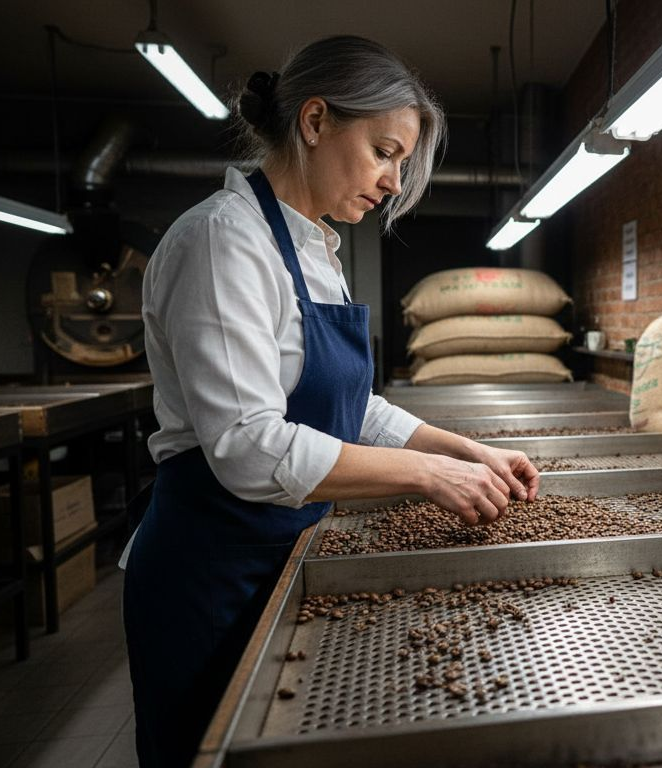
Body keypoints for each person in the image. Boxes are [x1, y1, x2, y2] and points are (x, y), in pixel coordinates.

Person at [122, 35, 539, 768]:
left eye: (400, 163)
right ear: (315, 121)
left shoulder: (314, 252)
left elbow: (352, 408)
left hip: (287, 551)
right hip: (211, 573)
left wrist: (465, 451)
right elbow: (248, 446)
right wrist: (428, 476)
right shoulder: (224, 242)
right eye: (384, 152)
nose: (392, 182)